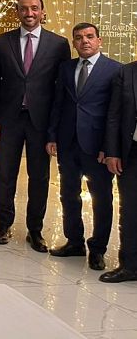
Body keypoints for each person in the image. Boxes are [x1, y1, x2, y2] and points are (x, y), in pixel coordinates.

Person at [0, 0, 70, 251]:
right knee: (6, 174)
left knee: (40, 177)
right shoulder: (2, 41)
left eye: (34, 8)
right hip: (8, 120)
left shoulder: (59, 44)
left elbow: (61, 89)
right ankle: (4, 224)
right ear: (18, 13)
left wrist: (55, 128)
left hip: (41, 123)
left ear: (42, 12)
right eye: (24, 9)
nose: (29, 13)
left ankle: (35, 230)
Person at [47, 23, 120, 271]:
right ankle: (74, 242)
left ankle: (98, 249)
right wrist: (52, 136)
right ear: (74, 43)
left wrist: (109, 148)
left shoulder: (114, 70)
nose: (84, 41)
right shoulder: (66, 68)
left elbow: (115, 113)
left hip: (97, 147)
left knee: (101, 198)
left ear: (99, 40)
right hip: (68, 143)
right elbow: (58, 103)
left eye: (89, 37)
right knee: (69, 194)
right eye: (79, 38)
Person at [100, 59, 137, 283]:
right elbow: (113, 115)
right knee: (130, 210)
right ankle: (129, 266)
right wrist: (112, 151)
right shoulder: (126, 72)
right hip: (131, 153)